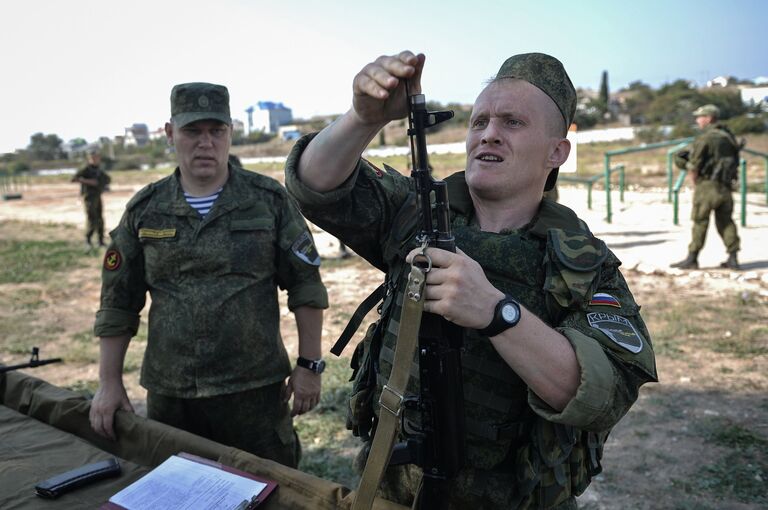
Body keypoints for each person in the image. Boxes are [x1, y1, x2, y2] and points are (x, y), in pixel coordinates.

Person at [284, 51, 657, 509]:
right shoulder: (416, 211)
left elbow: (603, 394)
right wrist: (363, 119)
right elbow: (314, 184)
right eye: (479, 122)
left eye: (512, 123)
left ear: (557, 151)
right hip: (389, 487)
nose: (489, 134)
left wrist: (497, 314)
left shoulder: (581, 262)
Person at [89, 82, 329, 468]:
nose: (206, 143)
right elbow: (118, 302)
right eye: (192, 132)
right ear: (170, 134)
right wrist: (109, 382)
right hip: (173, 395)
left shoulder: (267, 200)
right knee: (176, 491)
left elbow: (306, 286)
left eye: (216, 131)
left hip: (254, 391)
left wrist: (310, 364)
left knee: (269, 491)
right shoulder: (146, 209)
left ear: (230, 132)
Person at [671, 104, 741, 270]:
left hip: (707, 185)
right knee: (726, 222)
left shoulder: (705, 138)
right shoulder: (728, 137)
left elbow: (694, 165)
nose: (697, 120)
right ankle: (733, 258)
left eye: (700, 117)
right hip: (725, 186)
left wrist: (695, 181)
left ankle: (692, 258)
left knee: (700, 221)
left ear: (709, 118)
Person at [72, 150, 111, 248]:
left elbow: (107, 179)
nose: (95, 160)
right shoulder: (86, 169)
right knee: (91, 219)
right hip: (89, 197)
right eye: (93, 158)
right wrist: (89, 181)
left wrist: (101, 183)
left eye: (97, 158)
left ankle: (100, 241)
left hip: (97, 196)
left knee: (100, 219)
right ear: (89, 159)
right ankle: (88, 240)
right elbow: (74, 179)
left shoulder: (98, 170)